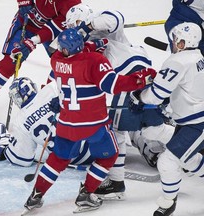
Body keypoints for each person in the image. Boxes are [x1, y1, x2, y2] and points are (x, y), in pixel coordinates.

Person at [22, 28, 156, 214]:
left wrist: (96, 44)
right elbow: (114, 85)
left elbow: (75, 58)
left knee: (58, 159)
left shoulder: (56, 60)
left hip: (67, 124)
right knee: (109, 155)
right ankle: (86, 194)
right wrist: (141, 79)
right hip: (93, 124)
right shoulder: (95, 61)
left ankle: (36, 195)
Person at [63, 3, 175, 199]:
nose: (72, 30)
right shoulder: (83, 46)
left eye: (74, 25)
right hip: (133, 77)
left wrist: (88, 28)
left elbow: (116, 17)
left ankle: (116, 182)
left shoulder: (104, 29)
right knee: (152, 128)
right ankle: (192, 142)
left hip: (130, 74)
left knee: (115, 129)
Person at [129, 22, 204, 216]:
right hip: (190, 120)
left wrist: (139, 97)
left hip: (197, 123)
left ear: (181, 42)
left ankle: (168, 202)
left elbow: (156, 95)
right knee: (186, 160)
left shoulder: (178, 62)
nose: (172, 42)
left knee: (167, 161)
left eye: (174, 39)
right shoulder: (197, 57)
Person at [0, 0, 81, 116]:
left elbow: (52, 29)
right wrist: (23, 1)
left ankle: (49, 102)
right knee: (11, 62)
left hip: (48, 29)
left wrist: (33, 41)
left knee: (63, 62)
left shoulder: (72, 3)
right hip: (26, 22)